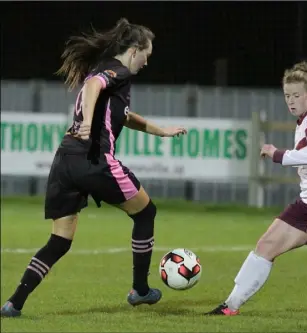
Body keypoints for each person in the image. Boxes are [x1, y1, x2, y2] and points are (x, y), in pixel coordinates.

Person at [1, 18, 187, 318]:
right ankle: (140, 290)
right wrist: (88, 123)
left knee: (59, 240)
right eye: (147, 55)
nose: (147, 62)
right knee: (146, 212)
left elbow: (123, 115)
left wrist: (160, 130)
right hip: (95, 160)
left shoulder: (104, 67)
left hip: (65, 160)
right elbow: (92, 86)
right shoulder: (118, 71)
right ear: (135, 49)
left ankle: (13, 303)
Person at [206, 61, 307, 320]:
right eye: (287, 95)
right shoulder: (304, 120)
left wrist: (278, 154)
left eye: (296, 95)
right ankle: (230, 305)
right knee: (266, 245)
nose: (291, 100)